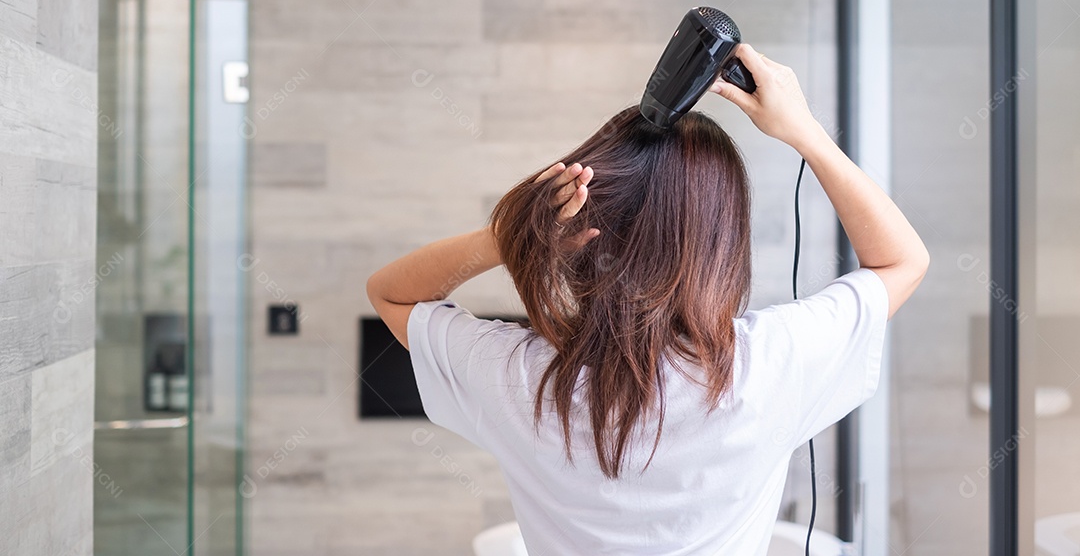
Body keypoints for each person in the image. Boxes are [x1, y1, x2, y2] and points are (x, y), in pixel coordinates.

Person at [366, 44, 930, 555]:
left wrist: (513, 233)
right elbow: (902, 261)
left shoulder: (522, 377)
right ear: (723, 239)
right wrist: (806, 132)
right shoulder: (771, 363)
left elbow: (391, 295)